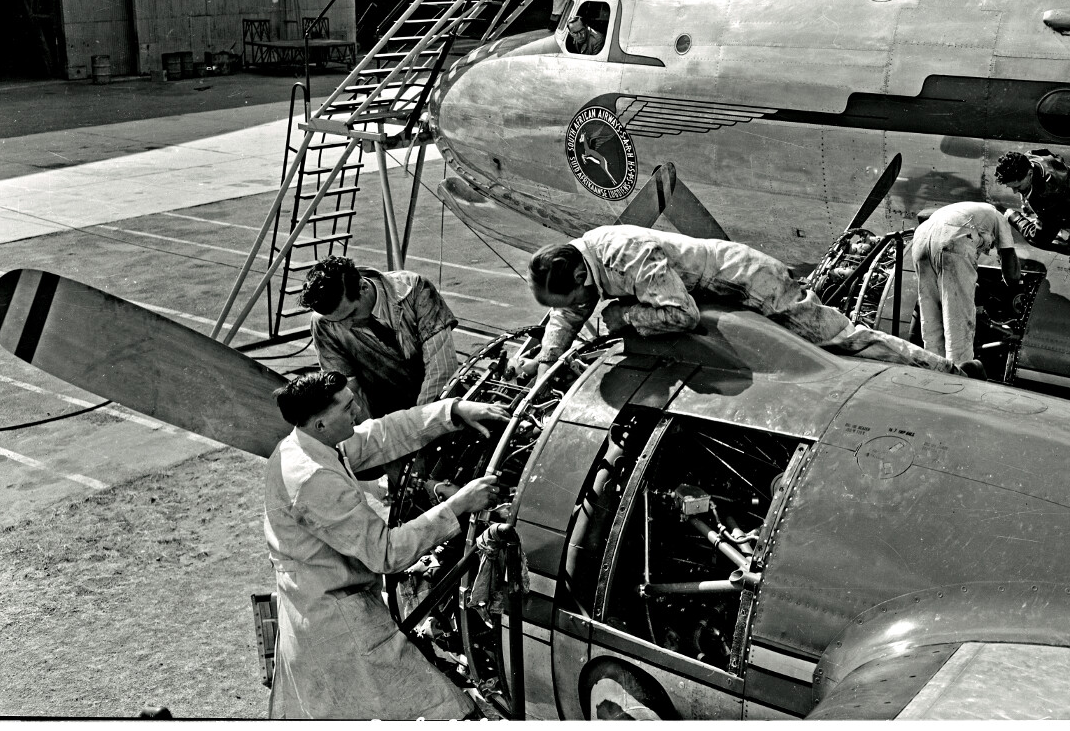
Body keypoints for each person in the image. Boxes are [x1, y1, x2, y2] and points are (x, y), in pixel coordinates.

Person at [264, 368, 507, 719]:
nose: (357, 412)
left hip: (319, 604)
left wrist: (452, 411)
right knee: (446, 714)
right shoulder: (313, 478)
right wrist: (458, 505)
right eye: (347, 409)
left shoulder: (308, 443)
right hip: (338, 621)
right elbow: (386, 553)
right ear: (320, 423)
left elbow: (381, 434)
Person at [510, 224, 972, 378]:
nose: (574, 306)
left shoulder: (623, 254)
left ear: (576, 274)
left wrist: (623, 314)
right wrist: (547, 359)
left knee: (840, 340)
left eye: (571, 295)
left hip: (749, 281)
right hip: (723, 283)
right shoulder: (577, 260)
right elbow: (568, 310)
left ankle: (945, 371)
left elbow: (680, 313)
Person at [301, 256, 460, 415]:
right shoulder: (322, 323)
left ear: (363, 287)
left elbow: (441, 369)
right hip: (385, 419)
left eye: (351, 315)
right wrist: (373, 433)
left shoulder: (416, 290)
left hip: (436, 406)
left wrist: (420, 423)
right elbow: (350, 393)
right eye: (337, 322)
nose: (347, 326)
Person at [911, 201, 1023, 374]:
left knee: (931, 322)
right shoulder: (1000, 219)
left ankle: (933, 375)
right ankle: (960, 380)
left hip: (920, 239)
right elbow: (1012, 276)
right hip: (954, 240)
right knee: (958, 326)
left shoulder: (971, 209)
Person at [993, 149, 1070, 252]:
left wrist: (1013, 217)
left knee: (1050, 243)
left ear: (1030, 173)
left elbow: (1038, 240)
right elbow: (1054, 156)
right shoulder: (1030, 157)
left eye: (1018, 186)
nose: (1014, 192)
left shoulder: (1049, 196)